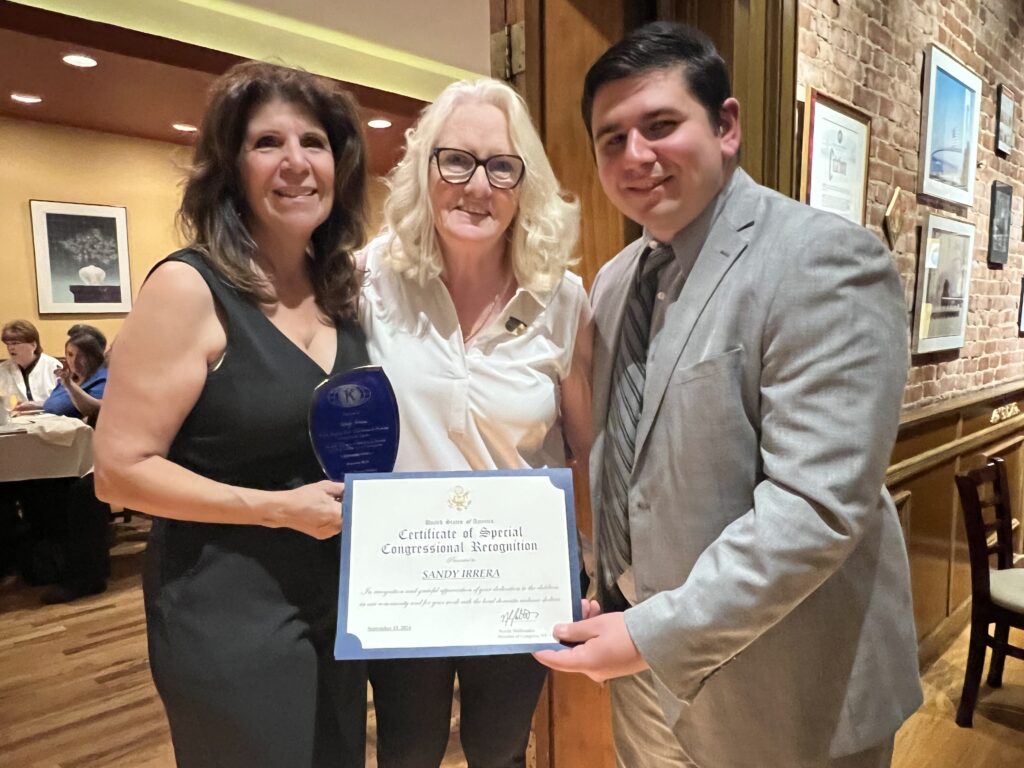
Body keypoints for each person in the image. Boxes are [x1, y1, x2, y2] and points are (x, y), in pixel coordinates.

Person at [535, 22, 922, 768]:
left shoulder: (823, 259)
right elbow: (623, 457)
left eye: (660, 125)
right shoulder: (616, 282)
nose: (635, 155)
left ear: (727, 126)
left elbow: (815, 508)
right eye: (611, 138)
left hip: (787, 693)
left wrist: (652, 632)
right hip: (644, 686)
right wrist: (604, 585)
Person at [94, 61, 370, 767]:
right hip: (225, 606)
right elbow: (117, 474)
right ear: (230, 166)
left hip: (337, 600)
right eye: (267, 143)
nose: (296, 164)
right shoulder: (189, 288)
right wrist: (273, 508)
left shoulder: (341, 291)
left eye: (313, 142)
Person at [360, 77, 590, 768]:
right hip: (403, 573)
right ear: (426, 170)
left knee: (499, 749)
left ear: (526, 186)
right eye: (455, 160)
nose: (477, 186)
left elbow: (586, 445)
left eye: (501, 167)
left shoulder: (563, 299)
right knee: (407, 750)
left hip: (518, 575)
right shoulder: (367, 280)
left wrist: (597, 565)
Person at [42, 331, 107, 420]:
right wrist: (33, 405)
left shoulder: (102, 378)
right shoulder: (70, 376)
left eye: (81, 356)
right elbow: (56, 403)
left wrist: (69, 385)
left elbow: (95, 411)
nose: (74, 361)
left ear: (93, 357)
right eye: (70, 354)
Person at [1, 320, 59, 409]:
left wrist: (40, 405)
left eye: (15, 343)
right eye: (8, 344)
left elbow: (64, 402)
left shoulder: (53, 366)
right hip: (15, 419)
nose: (10, 348)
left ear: (33, 345)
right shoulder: (3, 369)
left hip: (51, 417)